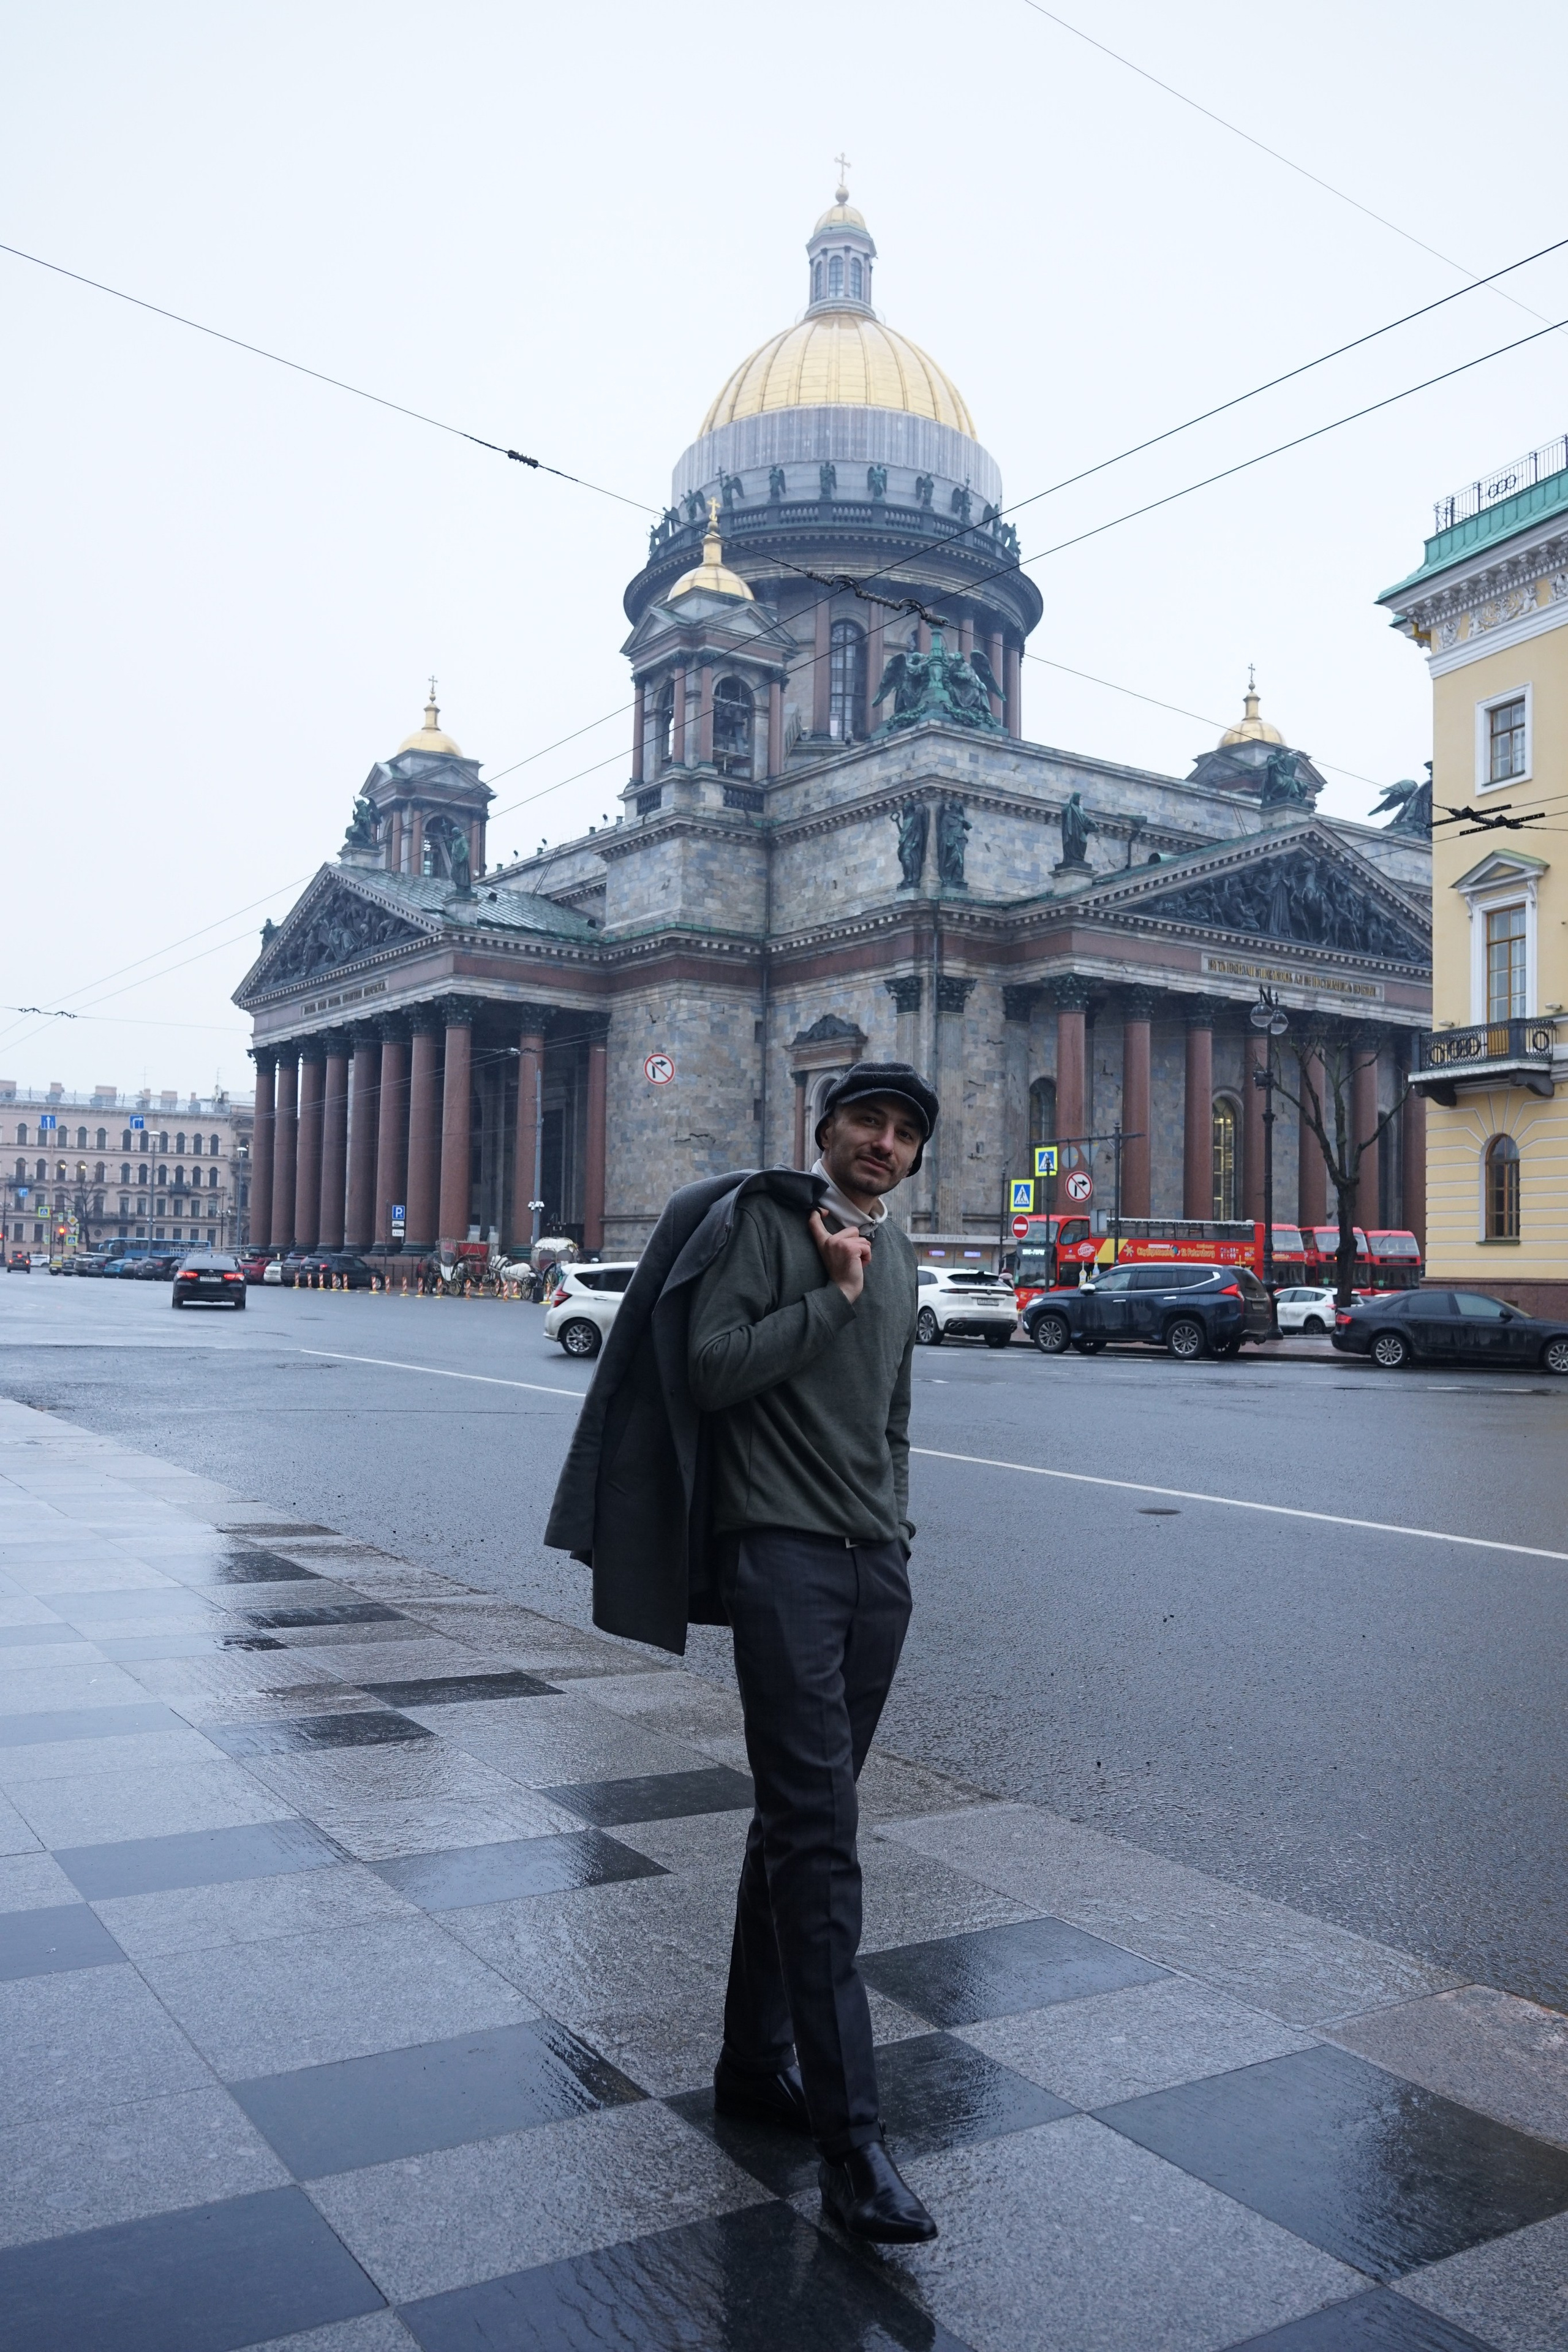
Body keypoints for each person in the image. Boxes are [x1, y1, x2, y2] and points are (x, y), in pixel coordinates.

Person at [688, 1061, 940, 2245]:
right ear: (823, 1127)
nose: (882, 1144)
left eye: (902, 1134)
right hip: (781, 1556)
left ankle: (755, 2064)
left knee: (797, 1820)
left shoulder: (902, 1256)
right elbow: (711, 1368)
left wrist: (894, 1533)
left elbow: (892, 1416)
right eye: (865, 1124)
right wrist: (827, 1299)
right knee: (821, 1843)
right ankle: (853, 2148)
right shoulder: (769, 1225)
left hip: (868, 1570)